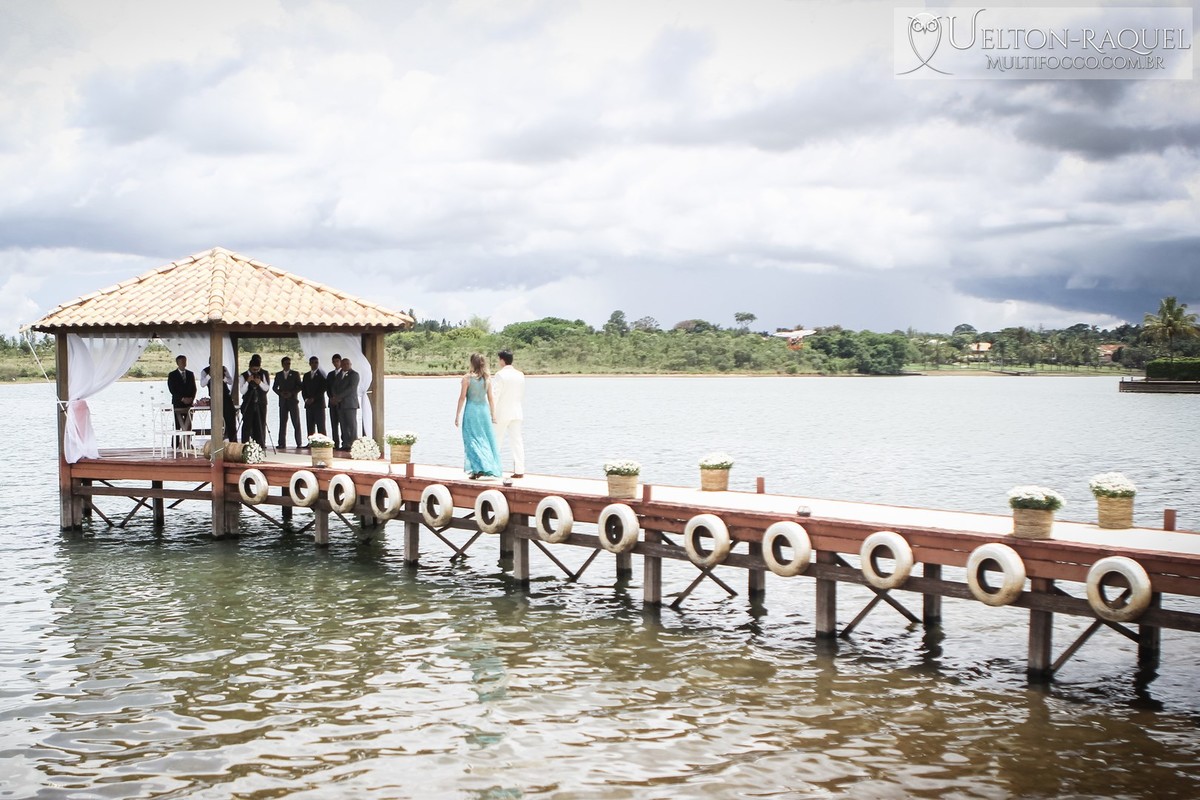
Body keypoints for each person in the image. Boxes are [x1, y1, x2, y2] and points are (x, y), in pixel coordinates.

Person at [454, 353, 502, 480]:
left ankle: (478, 469)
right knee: (484, 438)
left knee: (472, 439)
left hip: (472, 411)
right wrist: (493, 415)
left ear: (471, 363)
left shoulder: (467, 378)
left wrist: (457, 415)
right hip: (484, 411)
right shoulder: (487, 378)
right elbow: (490, 398)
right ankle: (486, 466)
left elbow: (462, 398)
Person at [492, 349, 526, 478]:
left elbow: (495, 396)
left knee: (496, 440)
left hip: (502, 412)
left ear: (502, 360)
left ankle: (494, 468)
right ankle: (519, 470)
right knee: (517, 441)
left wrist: (492, 412)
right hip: (517, 411)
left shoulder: (500, 375)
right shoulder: (520, 374)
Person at [201, 361, 236, 441]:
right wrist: (209, 376)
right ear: (210, 363)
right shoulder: (205, 371)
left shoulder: (224, 369)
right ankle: (217, 441)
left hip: (226, 396)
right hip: (214, 397)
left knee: (230, 418)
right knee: (217, 421)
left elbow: (230, 382)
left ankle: (232, 440)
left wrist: (224, 378)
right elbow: (202, 384)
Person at [239, 354, 270, 447]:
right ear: (250, 367)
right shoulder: (243, 376)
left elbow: (266, 388)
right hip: (248, 404)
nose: (256, 371)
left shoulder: (262, 375)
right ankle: (245, 445)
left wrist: (259, 382)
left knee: (260, 425)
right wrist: (248, 382)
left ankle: (260, 445)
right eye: (254, 370)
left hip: (260, 404)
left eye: (257, 369)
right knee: (247, 425)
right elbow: (242, 391)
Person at [272, 356, 303, 448]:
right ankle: (281, 443)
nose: (287, 365)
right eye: (286, 363)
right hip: (283, 402)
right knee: (282, 423)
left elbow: (300, 386)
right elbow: (274, 387)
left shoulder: (295, 374)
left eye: (289, 363)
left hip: (293, 401)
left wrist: (292, 393)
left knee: (296, 422)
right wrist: (280, 393)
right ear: (282, 364)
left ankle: (299, 443)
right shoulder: (278, 375)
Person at [331, 356, 360, 450]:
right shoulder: (339, 374)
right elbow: (334, 386)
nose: (346, 365)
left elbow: (351, 388)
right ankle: (345, 444)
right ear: (341, 365)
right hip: (340, 404)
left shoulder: (354, 374)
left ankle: (353, 445)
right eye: (344, 364)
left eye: (348, 364)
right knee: (343, 425)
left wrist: (339, 397)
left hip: (350, 404)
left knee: (352, 425)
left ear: (350, 364)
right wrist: (335, 397)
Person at [166, 354, 197, 431]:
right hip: (178, 403)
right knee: (177, 426)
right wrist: (182, 398)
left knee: (188, 426)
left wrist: (191, 399)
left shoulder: (190, 374)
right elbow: (172, 390)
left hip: (189, 404)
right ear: (177, 363)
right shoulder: (172, 375)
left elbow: (194, 388)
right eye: (181, 362)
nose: (183, 363)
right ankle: (176, 443)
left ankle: (187, 442)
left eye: (184, 361)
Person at [301, 355, 327, 441]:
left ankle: (323, 443)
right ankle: (310, 442)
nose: (314, 364)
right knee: (310, 425)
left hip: (319, 404)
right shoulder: (306, 375)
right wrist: (306, 399)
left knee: (321, 425)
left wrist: (314, 398)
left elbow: (322, 389)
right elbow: (303, 389)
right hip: (309, 404)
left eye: (316, 362)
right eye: (312, 362)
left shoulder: (322, 375)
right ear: (309, 364)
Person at [326, 353, 343, 449]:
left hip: (341, 403)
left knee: (343, 424)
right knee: (334, 424)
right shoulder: (330, 374)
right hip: (332, 402)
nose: (336, 363)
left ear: (340, 361)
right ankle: (335, 443)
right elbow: (327, 388)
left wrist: (338, 398)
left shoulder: (344, 373)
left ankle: (345, 443)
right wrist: (331, 397)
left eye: (337, 361)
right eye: (334, 361)